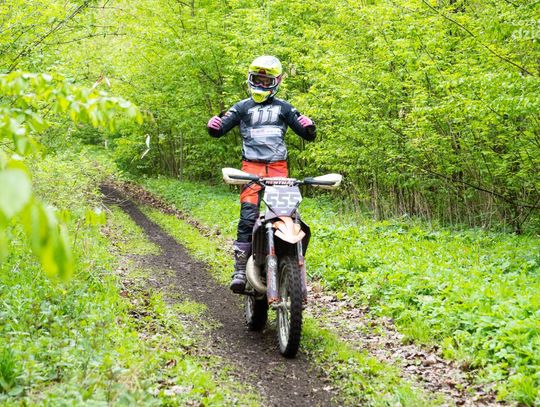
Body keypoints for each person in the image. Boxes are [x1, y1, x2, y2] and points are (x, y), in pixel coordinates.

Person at [207, 55, 316, 293]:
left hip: (278, 169)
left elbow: (307, 134)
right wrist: (214, 126)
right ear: (250, 79)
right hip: (251, 169)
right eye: (258, 80)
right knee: (248, 216)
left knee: (286, 216)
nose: (262, 85)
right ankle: (239, 269)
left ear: (276, 82)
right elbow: (220, 129)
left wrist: (309, 127)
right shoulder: (242, 107)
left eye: (267, 81)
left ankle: (288, 260)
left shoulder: (284, 108)